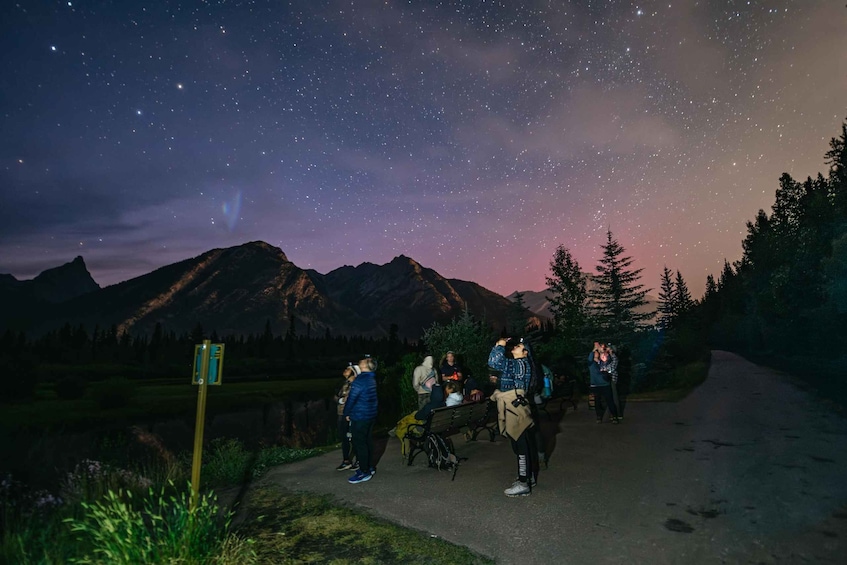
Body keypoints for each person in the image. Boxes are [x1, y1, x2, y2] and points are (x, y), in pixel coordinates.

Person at [488, 337, 539, 497]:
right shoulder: (520, 364)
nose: (514, 347)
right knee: (520, 443)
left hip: (515, 407)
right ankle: (527, 477)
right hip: (516, 405)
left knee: (520, 444)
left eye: (519, 346)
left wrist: (499, 346)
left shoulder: (520, 363)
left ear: (525, 352)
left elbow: (494, 363)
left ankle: (524, 483)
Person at [344, 356, 378, 484]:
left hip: (360, 416)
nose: (361, 361)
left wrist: (346, 413)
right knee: (367, 441)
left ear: (366, 366)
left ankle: (364, 472)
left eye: (364, 361)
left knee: (360, 444)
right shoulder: (371, 378)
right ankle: (369, 466)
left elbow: (352, 398)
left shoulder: (360, 380)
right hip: (370, 416)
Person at [334, 363, 360, 471]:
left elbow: (354, 400)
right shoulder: (345, 384)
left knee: (354, 438)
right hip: (341, 414)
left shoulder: (356, 385)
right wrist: (340, 399)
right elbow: (336, 397)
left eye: (348, 369)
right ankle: (346, 461)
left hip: (350, 415)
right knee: (343, 438)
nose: (345, 370)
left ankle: (359, 460)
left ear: (353, 372)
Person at [589, 342, 619, 424]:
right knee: (597, 402)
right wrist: (595, 349)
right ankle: (599, 416)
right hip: (596, 385)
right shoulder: (592, 363)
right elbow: (590, 358)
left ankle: (614, 415)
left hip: (605, 384)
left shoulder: (601, 362)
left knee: (610, 400)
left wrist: (609, 352)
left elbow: (611, 364)